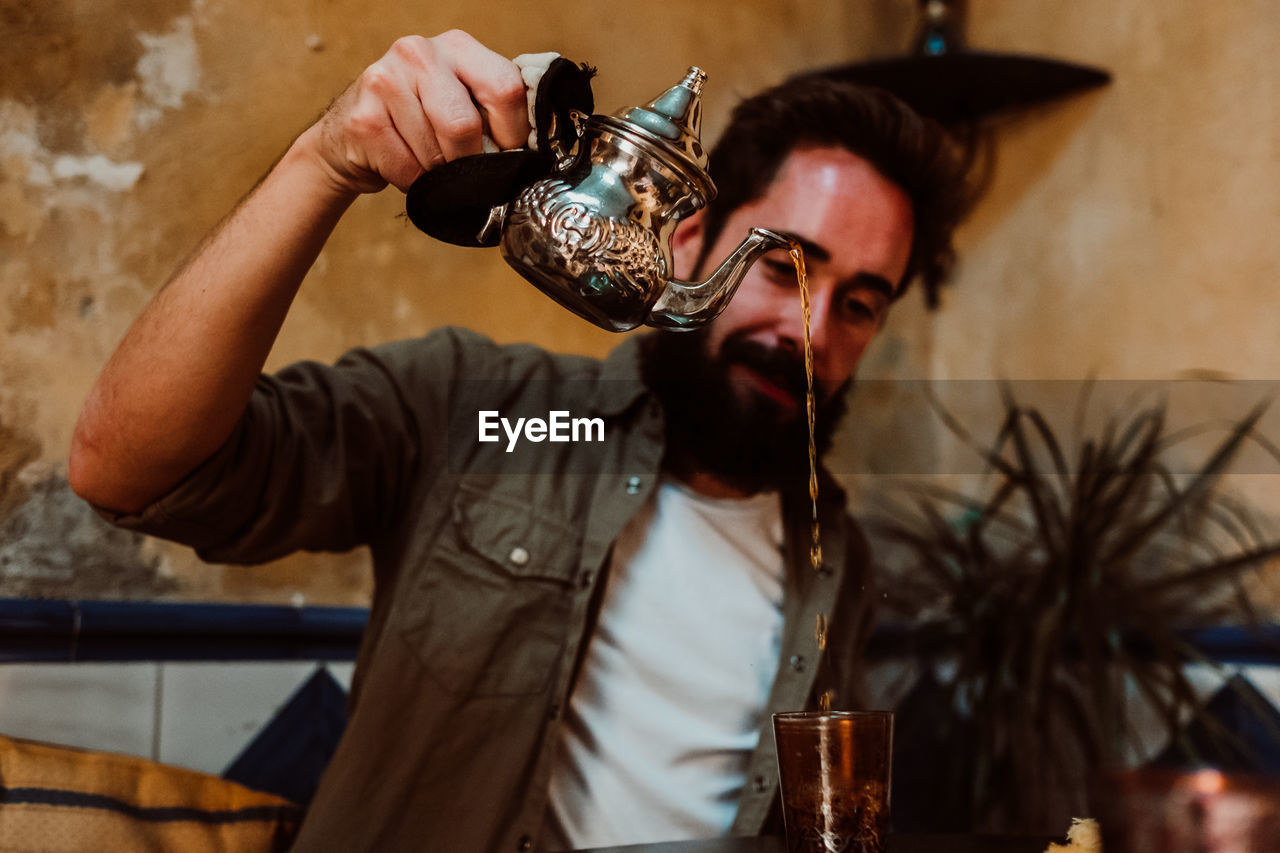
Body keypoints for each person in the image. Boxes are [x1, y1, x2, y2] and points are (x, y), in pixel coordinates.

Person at [68, 29, 969, 853]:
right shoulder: (475, 407)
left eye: (858, 305)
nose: (810, 333)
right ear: (689, 241)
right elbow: (128, 472)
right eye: (785, 269)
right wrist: (327, 160)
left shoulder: (836, 563)